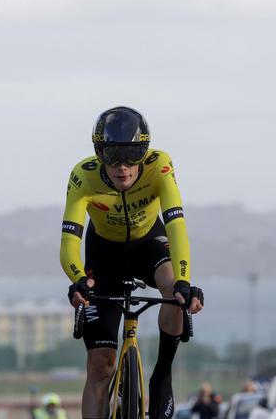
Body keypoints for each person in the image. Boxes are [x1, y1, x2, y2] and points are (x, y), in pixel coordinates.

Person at [61, 107, 204, 419]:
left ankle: (163, 371)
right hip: (104, 256)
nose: (122, 167)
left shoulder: (160, 166)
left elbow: (177, 226)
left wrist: (184, 281)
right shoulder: (82, 176)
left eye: (132, 156)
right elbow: (69, 242)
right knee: (100, 365)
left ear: (145, 153)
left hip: (148, 245)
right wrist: (77, 278)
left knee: (173, 289)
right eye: (112, 157)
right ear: (99, 154)